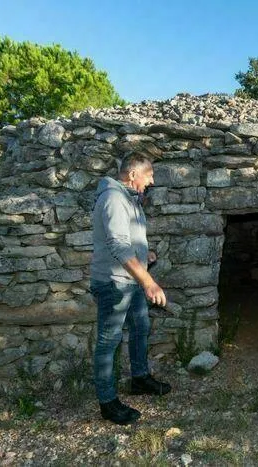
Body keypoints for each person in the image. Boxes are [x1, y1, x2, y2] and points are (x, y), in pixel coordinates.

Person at [90, 152, 171, 425]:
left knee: (140, 327)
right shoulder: (113, 198)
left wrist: (143, 254)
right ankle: (107, 402)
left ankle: (139, 379)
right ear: (133, 174)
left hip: (130, 279)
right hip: (114, 282)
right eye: (149, 176)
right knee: (108, 341)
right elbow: (117, 245)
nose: (151, 182)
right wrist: (149, 281)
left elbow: (127, 241)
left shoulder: (128, 198)